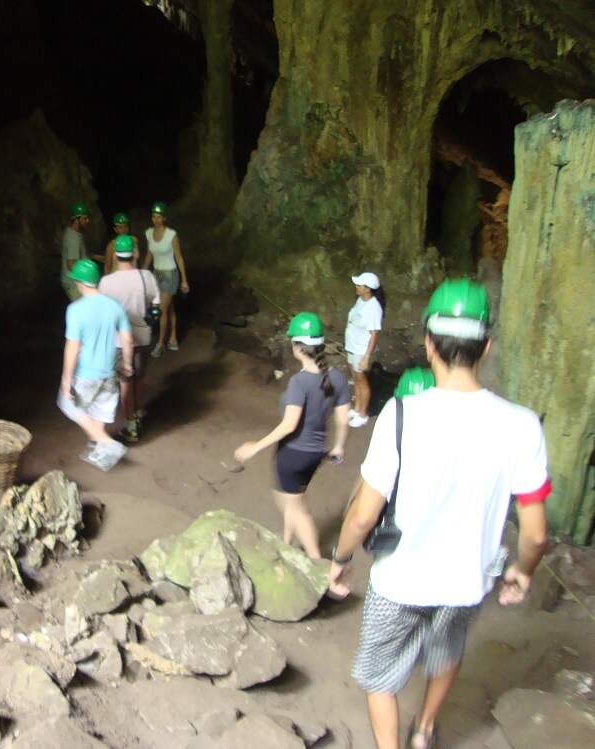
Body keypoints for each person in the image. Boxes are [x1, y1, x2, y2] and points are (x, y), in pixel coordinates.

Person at [327, 278, 551, 749]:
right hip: (466, 583)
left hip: (400, 582)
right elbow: (534, 535)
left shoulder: (402, 415)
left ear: (429, 344)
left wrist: (341, 557)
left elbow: (364, 515)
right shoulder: (522, 425)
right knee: (446, 651)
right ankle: (425, 728)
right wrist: (523, 574)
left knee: (378, 676)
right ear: (486, 347)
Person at [234, 312, 350, 559]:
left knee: (295, 509)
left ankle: (318, 564)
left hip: (293, 454)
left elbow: (289, 425)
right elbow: (342, 419)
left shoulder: (300, 382)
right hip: (315, 455)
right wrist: (339, 447)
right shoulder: (337, 378)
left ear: (297, 347)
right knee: (294, 499)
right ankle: (286, 542)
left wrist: (255, 447)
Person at [58, 258, 134, 471]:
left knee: (67, 405)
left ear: (80, 283)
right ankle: (100, 451)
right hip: (109, 372)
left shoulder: (75, 309)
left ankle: (107, 444)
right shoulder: (114, 306)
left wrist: (66, 380)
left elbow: (72, 347)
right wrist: (127, 364)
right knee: (99, 412)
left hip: (86, 373)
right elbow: (127, 339)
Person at [98, 235, 160, 443]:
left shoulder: (106, 282)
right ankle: (137, 410)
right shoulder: (146, 277)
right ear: (135, 253)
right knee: (137, 376)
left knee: (125, 380)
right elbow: (156, 307)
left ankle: (131, 423)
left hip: (117, 341)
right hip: (142, 337)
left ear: (115, 255)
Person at [142, 201, 189, 356]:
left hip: (170, 274)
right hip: (156, 273)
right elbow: (149, 255)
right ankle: (173, 338)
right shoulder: (149, 233)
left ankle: (160, 344)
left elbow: (179, 257)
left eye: (159, 217)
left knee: (160, 310)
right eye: (154, 216)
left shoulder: (171, 235)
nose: (156, 220)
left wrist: (184, 279)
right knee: (169, 308)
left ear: (164, 218)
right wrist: (142, 272)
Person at [344, 271, 385, 427]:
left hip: (361, 350)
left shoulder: (374, 308)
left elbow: (374, 334)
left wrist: (366, 356)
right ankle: (356, 408)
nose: (356, 286)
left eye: (359, 285)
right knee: (355, 378)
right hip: (352, 347)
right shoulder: (361, 300)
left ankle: (363, 414)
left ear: (367, 288)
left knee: (362, 381)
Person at [61, 202, 90, 301]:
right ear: (77, 220)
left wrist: (94, 256)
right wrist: (90, 275)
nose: (88, 220)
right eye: (85, 218)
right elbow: (71, 265)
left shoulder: (74, 233)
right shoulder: (73, 238)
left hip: (73, 281)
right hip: (73, 283)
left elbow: (79, 254)